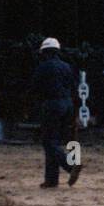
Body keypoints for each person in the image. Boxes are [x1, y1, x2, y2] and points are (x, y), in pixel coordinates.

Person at [29, 38, 81, 189]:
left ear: (44, 52)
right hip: (68, 105)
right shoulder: (67, 67)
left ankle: (70, 166)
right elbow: (74, 89)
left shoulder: (43, 67)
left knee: (49, 142)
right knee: (57, 141)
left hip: (52, 105)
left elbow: (34, 88)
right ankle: (51, 180)